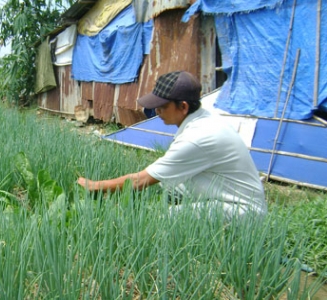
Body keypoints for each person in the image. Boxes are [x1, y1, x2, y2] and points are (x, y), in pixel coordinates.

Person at [77, 71, 267, 220]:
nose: (157, 111)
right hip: (223, 192)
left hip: (241, 211)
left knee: (164, 218)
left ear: (183, 106)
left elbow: (139, 181)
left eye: (162, 106)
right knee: (165, 186)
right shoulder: (202, 119)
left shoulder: (198, 137)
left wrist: (94, 185)